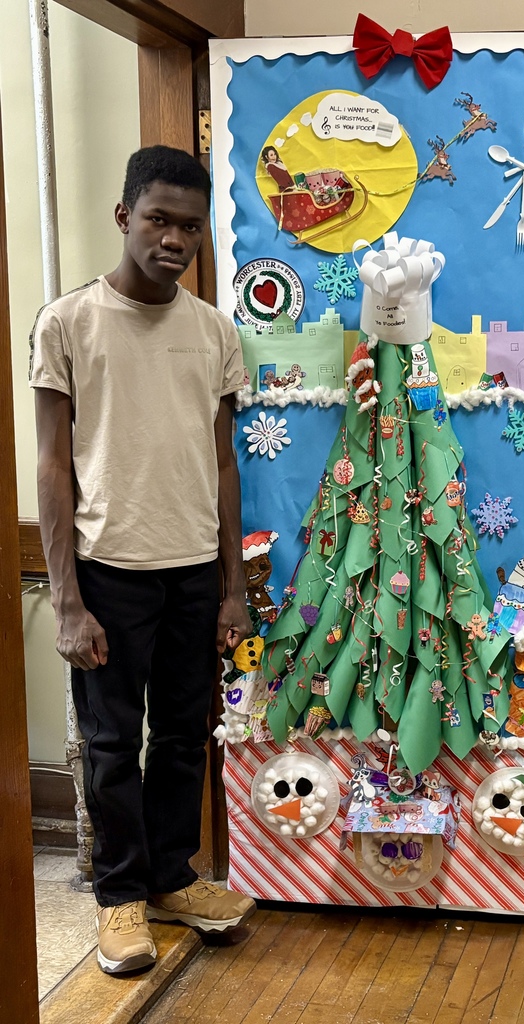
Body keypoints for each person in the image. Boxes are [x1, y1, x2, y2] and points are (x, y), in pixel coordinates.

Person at [31, 145, 257, 975]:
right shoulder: (67, 323)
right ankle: (120, 897)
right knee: (111, 741)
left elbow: (225, 462)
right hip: (106, 569)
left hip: (194, 569)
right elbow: (52, 466)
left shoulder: (214, 332)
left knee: (185, 740)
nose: (173, 238)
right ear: (125, 216)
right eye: (158, 218)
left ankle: (172, 878)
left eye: (189, 226)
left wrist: (233, 589)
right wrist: (65, 601)